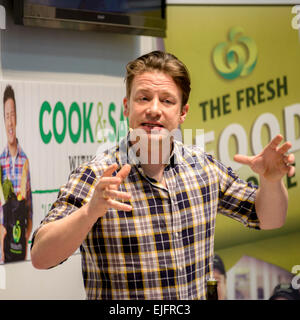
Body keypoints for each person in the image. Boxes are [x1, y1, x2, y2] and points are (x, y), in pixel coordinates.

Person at [30, 51, 295, 300]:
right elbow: (41, 257)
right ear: (126, 107)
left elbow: (270, 219)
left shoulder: (203, 167)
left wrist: (271, 182)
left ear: (182, 113)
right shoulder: (96, 176)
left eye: (167, 101)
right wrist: (90, 212)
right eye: (143, 98)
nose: (154, 109)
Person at [0, 84, 33, 263]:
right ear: (4, 121)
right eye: (7, 116)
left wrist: (27, 234)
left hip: (20, 242)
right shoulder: (0, 162)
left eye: (12, 115)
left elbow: (29, 203)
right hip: (2, 242)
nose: (10, 121)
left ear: (17, 118)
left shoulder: (24, 160)